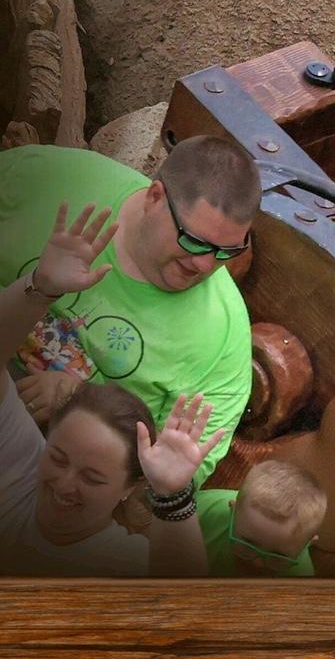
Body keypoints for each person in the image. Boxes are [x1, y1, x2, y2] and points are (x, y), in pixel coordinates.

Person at [0, 135, 259, 484]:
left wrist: (80, 403)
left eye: (227, 251)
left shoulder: (223, 338)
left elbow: (164, 484)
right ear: (154, 197)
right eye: (194, 241)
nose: (205, 264)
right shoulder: (46, 179)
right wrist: (38, 288)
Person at [0, 203, 227, 576]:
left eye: (92, 478)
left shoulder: (123, 563)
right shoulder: (21, 467)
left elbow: (185, 601)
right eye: (57, 458)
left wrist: (173, 496)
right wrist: (40, 288)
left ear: (127, 489)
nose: (64, 484)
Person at [196, 459, 327, 577]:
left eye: (277, 557)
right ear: (233, 513)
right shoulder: (202, 514)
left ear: (307, 544)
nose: (257, 563)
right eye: (248, 544)